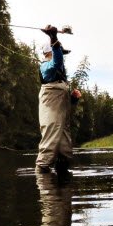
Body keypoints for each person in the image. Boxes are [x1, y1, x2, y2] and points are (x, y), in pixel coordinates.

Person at [36, 25, 81, 174]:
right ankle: (43, 182)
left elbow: (65, 109)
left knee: (65, 151)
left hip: (59, 110)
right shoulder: (45, 67)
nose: (62, 56)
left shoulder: (60, 76)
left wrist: (73, 100)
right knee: (49, 145)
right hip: (50, 109)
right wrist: (54, 38)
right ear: (49, 52)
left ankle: (62, 184)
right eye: (60, 52)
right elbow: (57, 62)